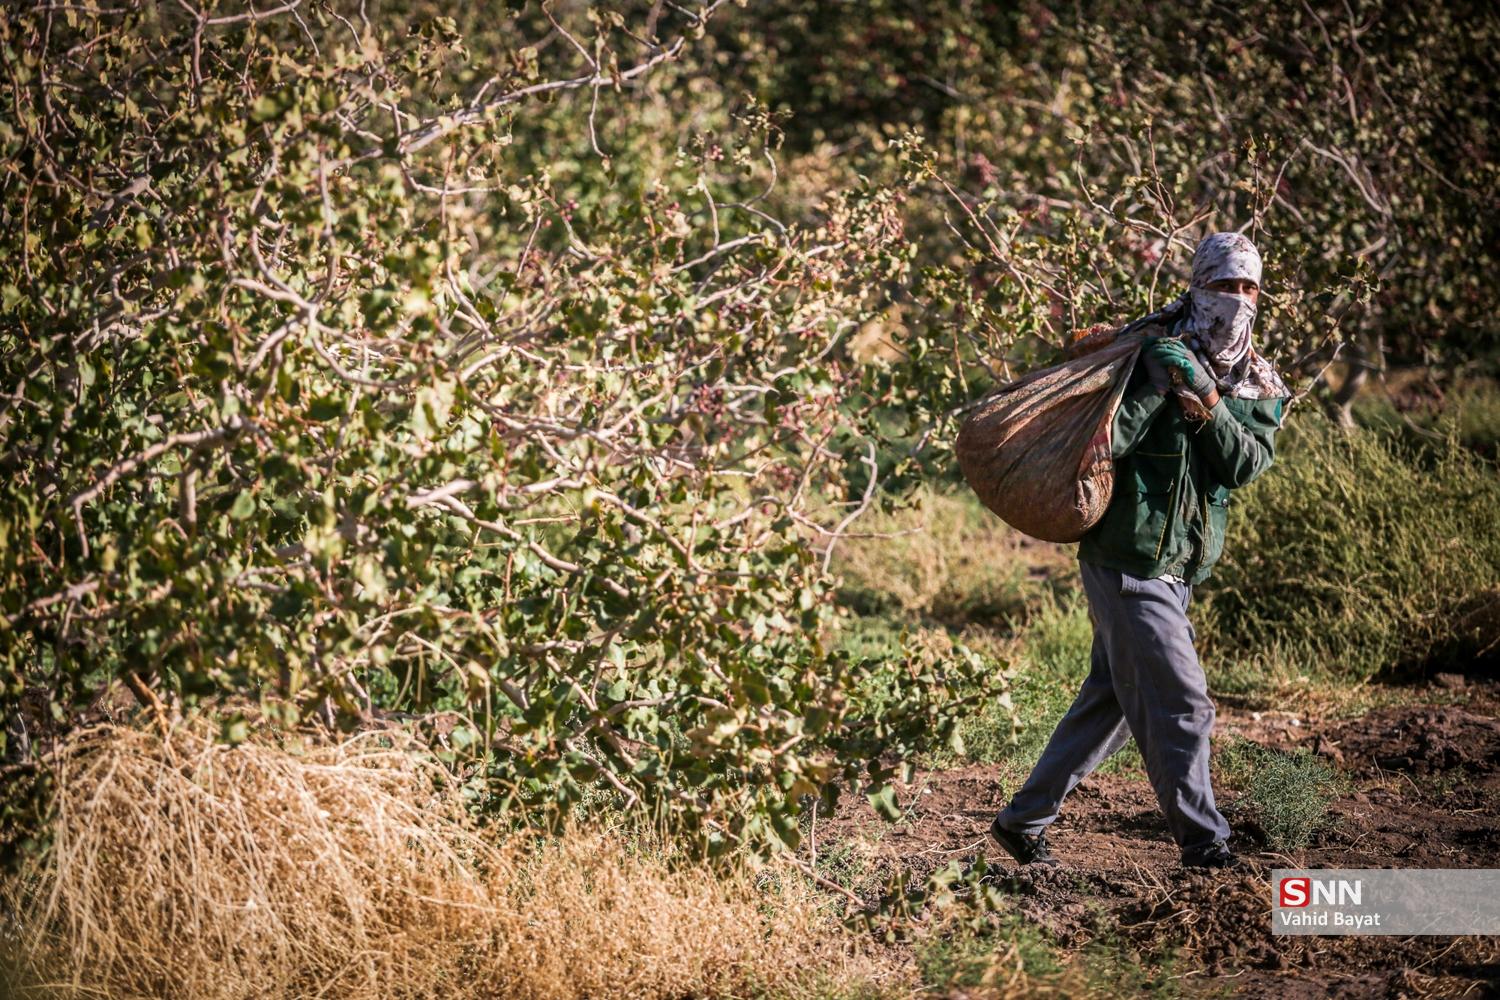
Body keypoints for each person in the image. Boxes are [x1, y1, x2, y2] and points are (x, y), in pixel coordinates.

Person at [988, 232, 1291, 870]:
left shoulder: (1255, 378)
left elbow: (1243, 464)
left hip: (1179, 567)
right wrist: (1155, 387)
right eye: (1224, 285)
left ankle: (1023, 821)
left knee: (1112, 704)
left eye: (1249, 288)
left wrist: (1206, 398)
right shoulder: (1145, 350)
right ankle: (1205, 844)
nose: (1236, 300)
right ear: (1197, 286)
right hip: (1128, 559)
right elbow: (1103, 445)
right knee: (1183, 704)